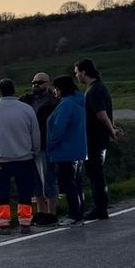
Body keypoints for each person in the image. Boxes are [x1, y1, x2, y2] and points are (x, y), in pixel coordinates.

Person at [0, 79, 40, 234]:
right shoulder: (26, 109)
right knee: (25, 191)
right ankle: (25, 223)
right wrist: (35, 152)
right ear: (14, 90)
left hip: (0, 159)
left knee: (2, 193)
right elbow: (35, 134)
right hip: (24, 158)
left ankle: (3, 224)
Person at [74, 58, 121, 220]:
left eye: (77, 72)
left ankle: (100, 208)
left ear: (84, 72)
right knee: (97, 173)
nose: (76, 76)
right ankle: (101, 207)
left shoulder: (93, 91)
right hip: (99, 138)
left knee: (95, 175)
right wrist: (113, 128)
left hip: (94, 139)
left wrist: (112, 130)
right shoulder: (100, 87)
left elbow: (101, 115)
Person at [46, 75, 87, 226]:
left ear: (61, 89)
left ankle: (74, 215)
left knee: (68, 183)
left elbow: (58, 128)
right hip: (78, 149)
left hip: (65, 151)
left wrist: (50, 144)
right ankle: (79, 212)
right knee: (76, 183)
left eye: (56, 89)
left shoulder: (66, 104)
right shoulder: (78, 102)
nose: (54, 92)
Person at [20, 72, 59, 225]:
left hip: (45, 145)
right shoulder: (26, 100)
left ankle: (52, 213)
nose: (36, 85)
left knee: (48, 180)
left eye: (40, 82)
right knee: (35, 183)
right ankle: (41, 212)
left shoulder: (54, 102)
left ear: (48, 83)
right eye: (34, 82)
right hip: (29, 146)